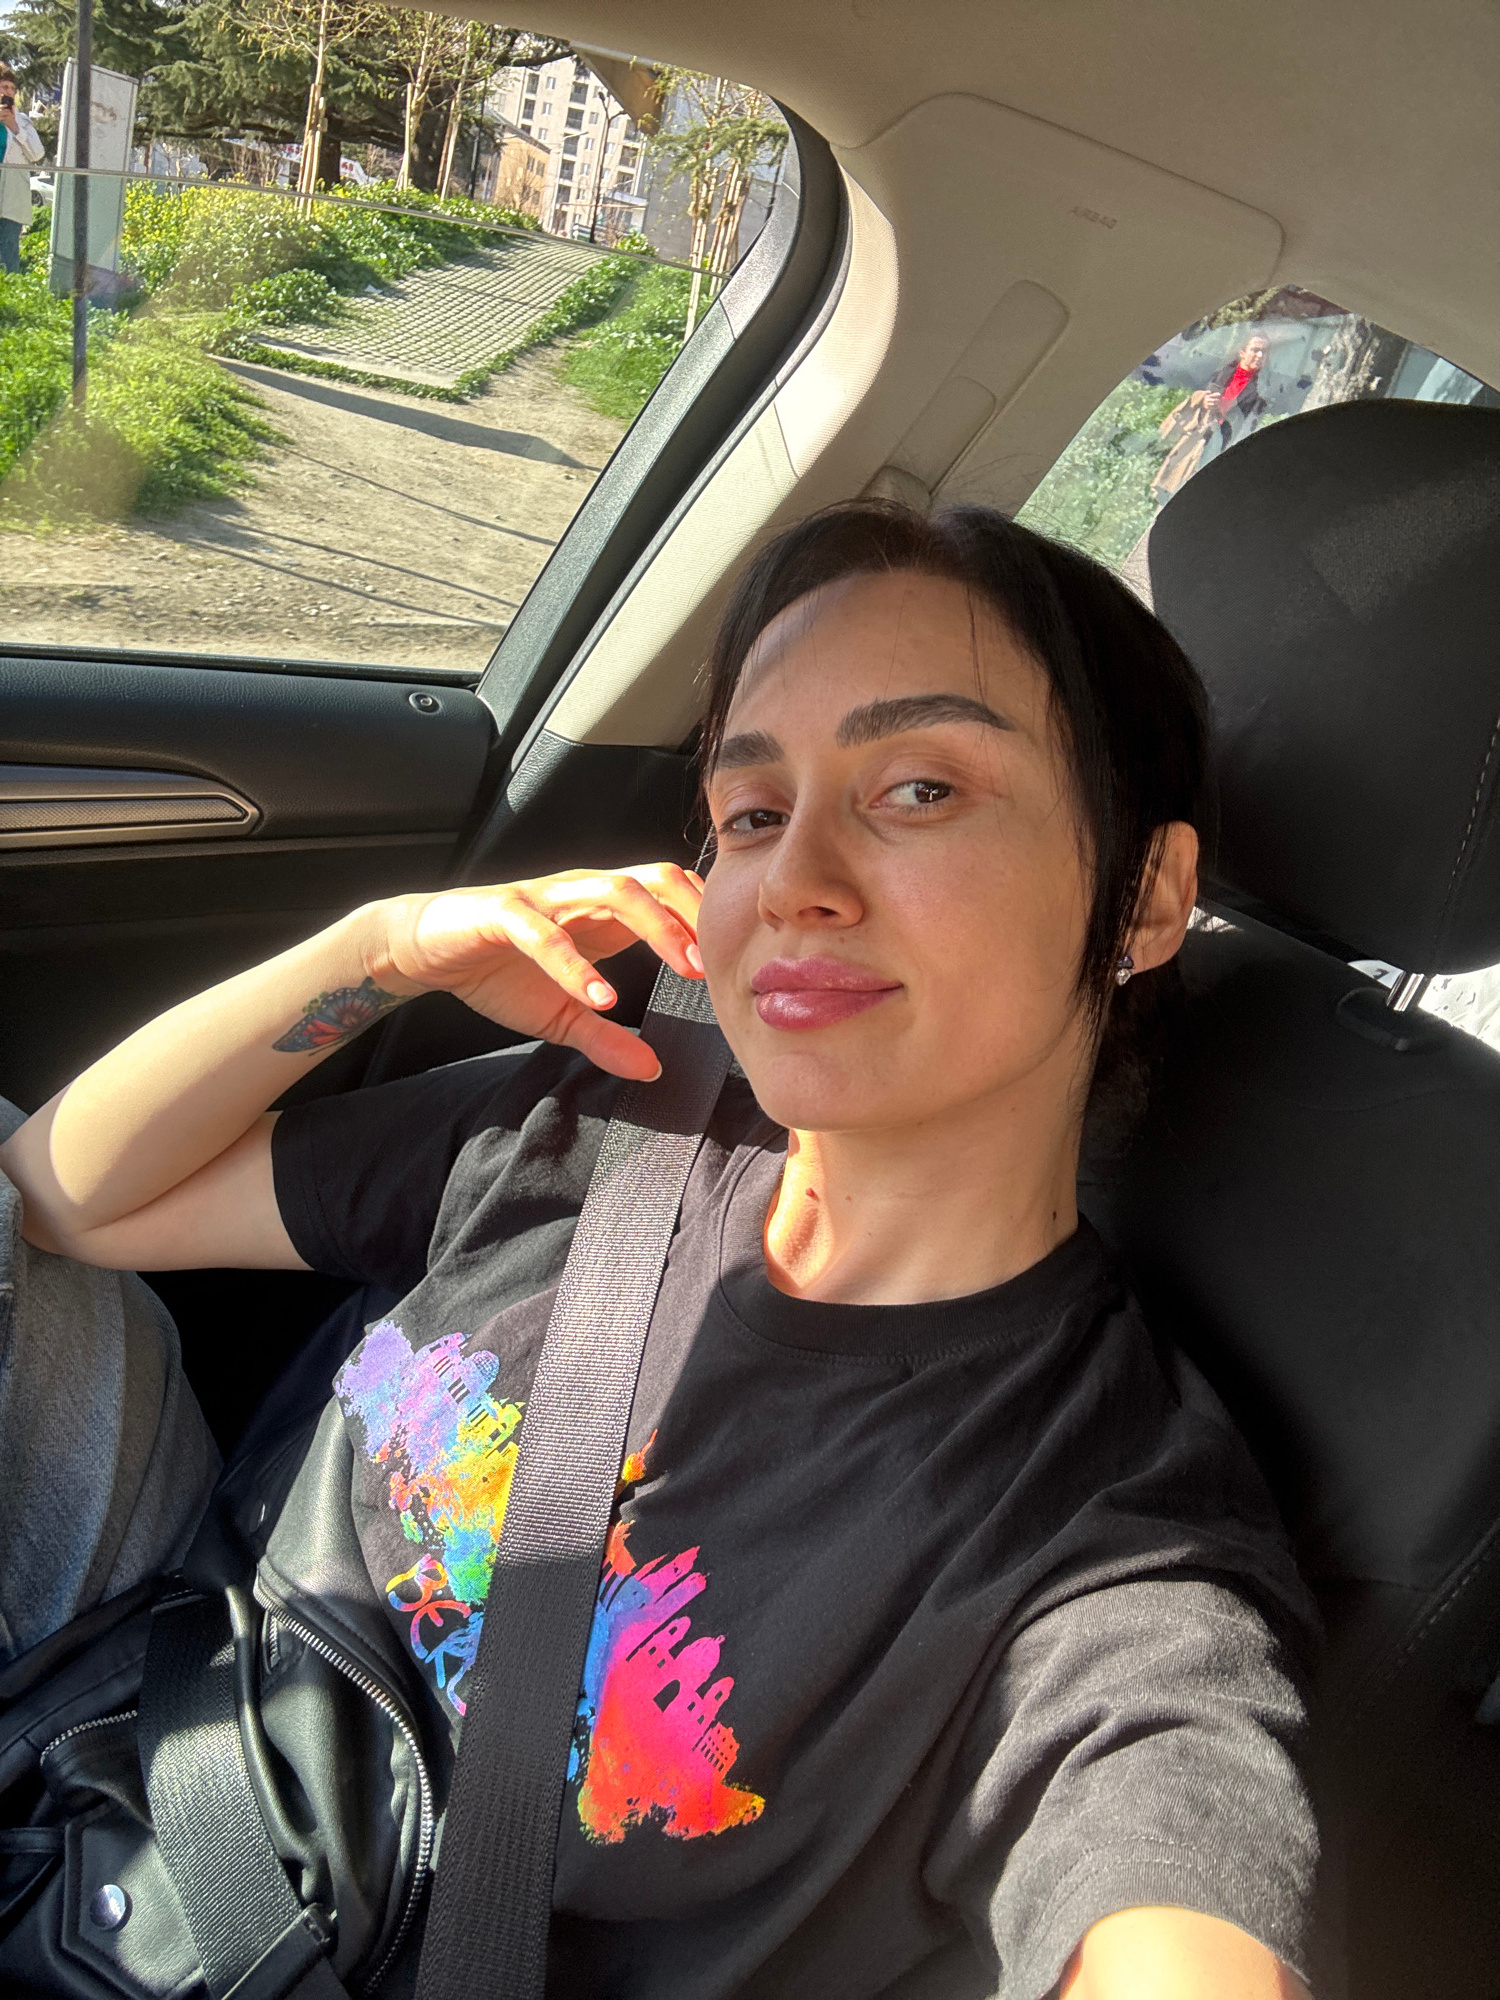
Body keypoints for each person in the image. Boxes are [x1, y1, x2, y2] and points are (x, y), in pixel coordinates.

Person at [0, 502, 1320, 2000]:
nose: (797, 876)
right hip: (108, 1758)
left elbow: (1173, 1882)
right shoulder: (610, 1113)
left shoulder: (1104, 1534)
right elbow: (64, 1197)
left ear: (1144, 894)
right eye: (751, 812)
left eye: (921, 787)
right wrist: (377, 951)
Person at [1151, 332, 1271, 507]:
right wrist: (1204, 401)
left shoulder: (1261, 390)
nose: (1260, 355)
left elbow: (1249, 425)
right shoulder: (1223, 373)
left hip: (1222, 445)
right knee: (1174, 485)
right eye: (1255, 350)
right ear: (1242, 352)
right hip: (1198, 438)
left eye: (1264, 351)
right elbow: (1201, 401)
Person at [0, 65, 45, 276]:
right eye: (4, 87)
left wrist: (14, 127)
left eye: (12, 88)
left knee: (9, 247)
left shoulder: (23, 122)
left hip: (12, 197)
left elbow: (37, 154)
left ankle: (11, 289)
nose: (9, 92)